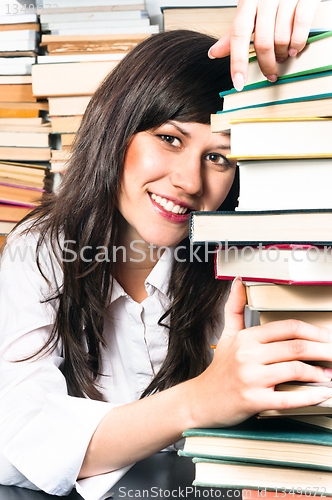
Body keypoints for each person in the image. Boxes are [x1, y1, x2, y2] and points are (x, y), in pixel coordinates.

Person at [0, 5, 331, 499]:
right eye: (169, 139)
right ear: (116, 129)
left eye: (218, 156)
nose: (190, 181)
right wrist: (202, 400)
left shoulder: (257, 258)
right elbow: (15, 442)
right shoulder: (41, 249)